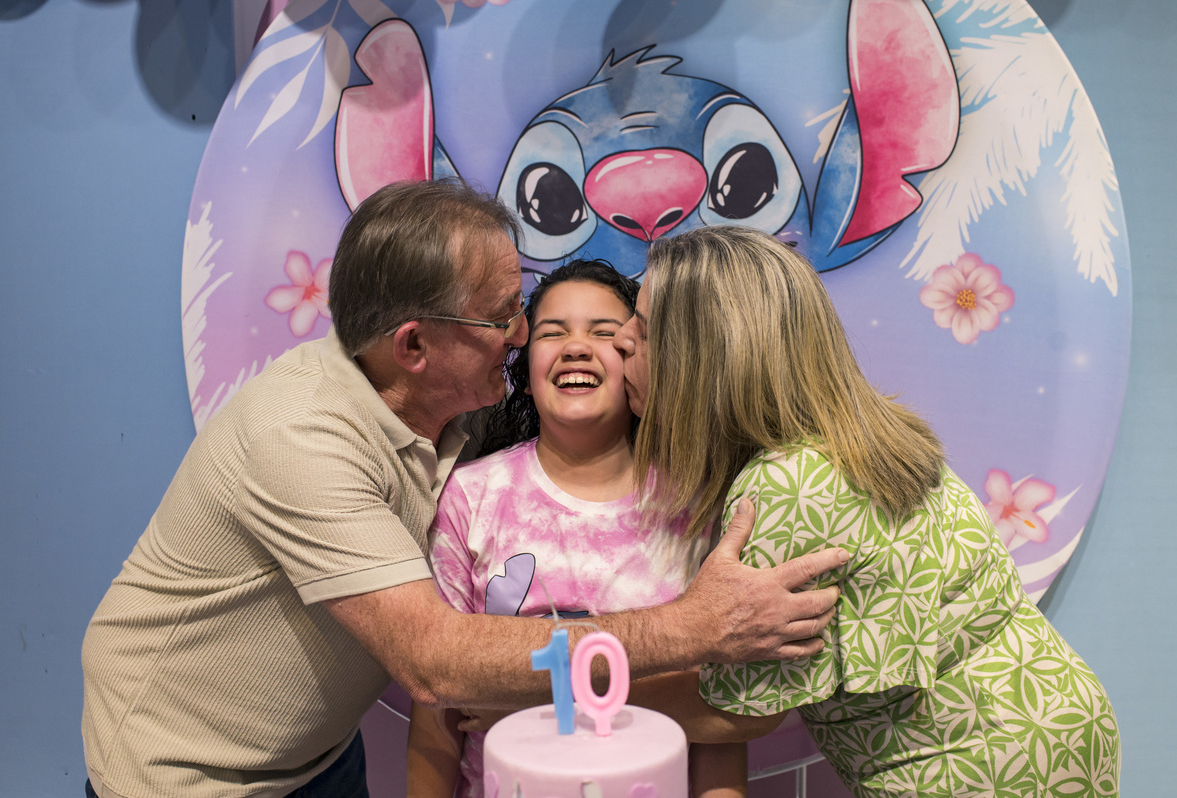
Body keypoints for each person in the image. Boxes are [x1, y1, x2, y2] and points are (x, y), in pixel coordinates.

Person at [80, 181, 848, 798]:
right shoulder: (300, 435)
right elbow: (437, 667)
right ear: (413, 345)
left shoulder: (455, 421)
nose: (519, 336)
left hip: (319, 754)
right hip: (189, 772)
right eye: (505, 317)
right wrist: (691, 629)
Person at [612, 224, 1121, 798]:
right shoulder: (859, 432)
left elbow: (743, 711)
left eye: (648, 331)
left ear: (708, 360)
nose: (621, 340)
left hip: (975, 764)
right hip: (1053, 715)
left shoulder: (785, 484)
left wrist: (566, 692)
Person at [406, 261, 756, 798]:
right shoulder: (470, 497)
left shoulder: (698, 503)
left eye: (605, 333)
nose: (576, 347)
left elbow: (720, 723)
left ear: (644, 358)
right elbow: (437, 709)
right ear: (522, 369)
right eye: (552, 332)